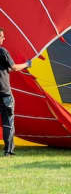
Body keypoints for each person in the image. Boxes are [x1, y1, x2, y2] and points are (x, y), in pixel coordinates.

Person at [0, 28, 31, 156]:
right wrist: (27, 64)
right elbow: (14, 68)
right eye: (1, 36)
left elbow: (6, 69)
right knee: (8, 122)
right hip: (5, 92)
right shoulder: (2, 51)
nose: (3, 38)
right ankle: (8, 151)